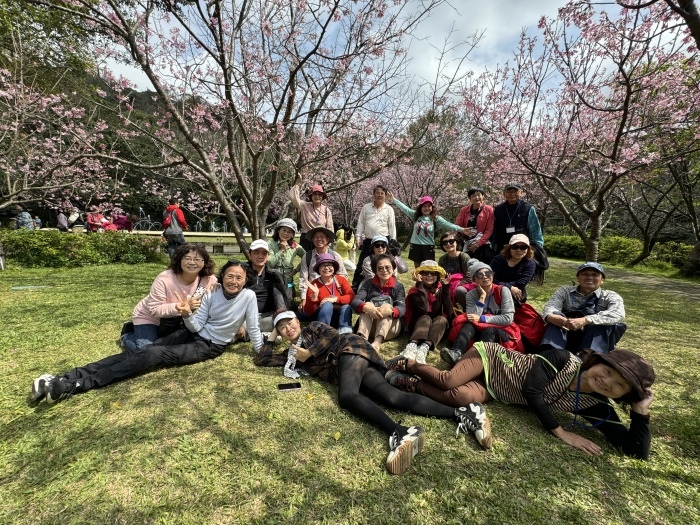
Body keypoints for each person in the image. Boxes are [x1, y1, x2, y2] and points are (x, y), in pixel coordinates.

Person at [254, 312, 493, 475]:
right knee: (390, 396)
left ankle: (400, 433)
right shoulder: (292, 354)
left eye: (290, 322)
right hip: (351, 365)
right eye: (282, 327)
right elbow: (263, 360)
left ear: (298, 320)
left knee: (347, 397)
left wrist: (311, 352)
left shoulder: (313, 328)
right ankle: (462, 411)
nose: (289, 327)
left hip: (351, 350)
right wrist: (273, 336)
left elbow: (334, 336)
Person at [31, 260, 263, 404]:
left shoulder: (248, 297)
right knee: (144, 350)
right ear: (222, 277)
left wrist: (262, 351)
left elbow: (253, 326)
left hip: (209, 346)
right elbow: (197, 325)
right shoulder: (212, 293)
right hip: (193, 334)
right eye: (229, 276)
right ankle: (68, 376)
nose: (233, 281)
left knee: (152, 356)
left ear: (245, 281)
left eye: (239, 278)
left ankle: (78, 385)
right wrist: (186, 315)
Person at [384, 343, 655, 459]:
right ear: (596, 363)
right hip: (490, 358)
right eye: (607, 372)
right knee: (447, 381)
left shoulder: (595, 405)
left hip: (499, 389)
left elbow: (633, 450)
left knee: (460, 397)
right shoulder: (564, 359)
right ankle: (409, 364)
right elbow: (531, 390)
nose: (608, 382)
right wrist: (561, 432)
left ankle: (413, 383)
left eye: (620, 386)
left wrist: (641, 413)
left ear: (624, 396)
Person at [120, 243, 218, 351]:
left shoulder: (209, 279)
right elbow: (155, 309)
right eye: (187, 258)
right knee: (146, 351)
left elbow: (217, 296)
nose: (192, 262)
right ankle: (127, 336)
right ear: (179, 260)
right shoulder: (165, 279)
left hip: (174, 321)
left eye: (197, 259)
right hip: (149, 317)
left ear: (204, 262)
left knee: (172, 347)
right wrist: (179, 306)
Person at [440, 261, 519, 366]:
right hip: (478, 329)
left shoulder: (503, 291)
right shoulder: (470, 295)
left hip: (499, 331)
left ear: (492, 275)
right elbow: (472, 317)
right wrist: (482, 297)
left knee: (489, 329)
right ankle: (456, 352)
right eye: (479, 275)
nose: (485, 277)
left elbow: (508, 318)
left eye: (488, 273)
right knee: (468, 325)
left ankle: (478, 360)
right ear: (474, 279)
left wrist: (483, 319)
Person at [540, 262, 626, 354]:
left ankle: (586, 357)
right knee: (555, 315)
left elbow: (618, 313)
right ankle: (550, 353)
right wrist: (550, 316)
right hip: (566, 334)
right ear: (578, 278)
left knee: (602, 321)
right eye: (585, 274)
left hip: (594, 340)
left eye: (595, 275)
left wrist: (586, 320)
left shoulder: (610, 296)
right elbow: (550, 306)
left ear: (602, 280)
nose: (589, 277)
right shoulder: (565, 291)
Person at [386, 193, 467, 267]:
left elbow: (448, 224)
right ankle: (419, 283)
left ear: (432, 207)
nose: (427, 208)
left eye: (429, 206)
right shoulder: (415, 216)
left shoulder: (435, 218)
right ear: (421, 207)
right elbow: (404, 208)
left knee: (429, 269)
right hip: (416, 246)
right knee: (418, 269)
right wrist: (393, 199)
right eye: (424, 206)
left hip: (428, 247)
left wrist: (462, 229)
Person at [399, 261, 454, 364]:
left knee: (442, 319)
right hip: (418, 323)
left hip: (436, 326)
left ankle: (424, 348)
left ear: (437, 276)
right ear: (420, 275)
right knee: (426, 317)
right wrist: (420, 286)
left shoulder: (441, 289)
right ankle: (412, 346)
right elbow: (424, 309)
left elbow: (449, 311)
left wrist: (446, 289)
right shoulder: (415, 291)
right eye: (425, 273)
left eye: (433, 273)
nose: (429, 275)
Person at [351, 253, 406, 350]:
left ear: (393, 268)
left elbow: (402, 308)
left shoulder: (398, 286)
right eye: (380, 268)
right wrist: (367, 308)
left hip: (389, 329)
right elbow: (355, 301)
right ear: (375, 270)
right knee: (366, 305)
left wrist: (391, 311)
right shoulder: (368, 283)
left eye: (387, 267)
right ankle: (362, 339)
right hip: (370, 325)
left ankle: (377, 343)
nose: (384, 270)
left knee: (386, 306)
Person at [352, 185, 397, 290]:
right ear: (373, 195)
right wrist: (358, 237)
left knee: (388, 263)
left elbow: (392, 226)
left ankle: (391, 287)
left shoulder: (389, 209)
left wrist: (393, 241)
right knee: (361, 264)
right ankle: (355, 288)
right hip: (369, 240)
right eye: (378, 193)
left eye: (382, 193)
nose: (380, 195)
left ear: (385, 196)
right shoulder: (366, 207)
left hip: (384, 241)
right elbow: (361, 223)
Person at [244, 239, 290, 334]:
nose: (260, 256)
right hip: (245, 316)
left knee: (284, 323)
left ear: (268, 256)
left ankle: (248, 333)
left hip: (268, 316)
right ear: (249, 255)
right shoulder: (240, 273)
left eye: (264, 253)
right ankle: (264, 334)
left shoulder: (274, 275)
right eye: (256, 252)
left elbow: (281, 298)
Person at [298, 226, 347, 312]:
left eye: (322, 237)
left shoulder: (335, 256)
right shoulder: (307, 256)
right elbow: (303, 278)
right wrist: (303, 298)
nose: (319, 239)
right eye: (316, 237)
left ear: (327, 239)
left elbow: (343, 275)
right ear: (312, 239)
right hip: (313, 292)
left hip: (331, 292)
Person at [303, 253, 355, 333]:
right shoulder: (314, 284)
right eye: (323, 265)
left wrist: (335, 299)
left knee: (346, 307)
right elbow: (309, 312)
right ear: (318, 269)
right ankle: (322, 333)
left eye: (330, 265)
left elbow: (351, 296)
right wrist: (315, 296)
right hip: (321, 318)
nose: (327, 268)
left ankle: (344, 333)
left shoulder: (341, 280)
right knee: (327, 304)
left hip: (337, 316)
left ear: (334, 267)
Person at [492, 181, 544, 254]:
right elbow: (494, 230)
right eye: (509, 191)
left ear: (521, 193)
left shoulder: (528, 208)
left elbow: (535, 232)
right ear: (504, 194)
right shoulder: (497, 209)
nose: (512, 194)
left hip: (521, 250)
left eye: (515, 191)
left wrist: (536, 249)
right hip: (502, 249)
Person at [490, 234, 536, 304]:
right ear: (509, 248)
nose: (518, 250)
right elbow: (489, 278)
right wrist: (509, 287)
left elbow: (521, 283)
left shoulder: (530, 263)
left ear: (528, 249)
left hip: (516, 295)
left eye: (523, 247)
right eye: (514, 247)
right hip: (494, 291)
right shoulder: (498, 259)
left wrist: (502, 285)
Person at [267, 218, 305, 304]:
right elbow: (271, 263)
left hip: (288, 280)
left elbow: (307, 257)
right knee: (275, 301)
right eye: (283, 230)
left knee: (289, 301)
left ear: (292, 234)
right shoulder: (270, 243)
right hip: (273, 278)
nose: (286, 233)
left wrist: (296, 270)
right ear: (278, 230)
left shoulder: (295, 246)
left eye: (289, 231)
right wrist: (282, 250)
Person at [290, 183, 334, 251]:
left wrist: (328, 243)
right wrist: (297, 184)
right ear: (311, 196)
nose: (317, 196)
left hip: (320, 239)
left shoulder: (326, 210)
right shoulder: (305, 206)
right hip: (306, 238)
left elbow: (330, 227)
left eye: (319, 194)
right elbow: (294, 198)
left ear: (322, 196)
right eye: (315, 194)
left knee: (320, 260)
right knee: (307, 259)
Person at [456, 187, 495, 262]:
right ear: (469, 198)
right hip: (466, 242)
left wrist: (478, 244)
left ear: (483, 196)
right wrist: (463, 232)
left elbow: (489, 229)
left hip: (482, 243)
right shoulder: (464, 210)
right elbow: (458, 225)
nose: (477, 197)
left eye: (478, 195)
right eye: (473, 196)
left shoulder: (489, 209)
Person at [437, 231, 472, 309]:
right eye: (445, 242)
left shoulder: (464, 257)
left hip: (463, 284)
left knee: (460, 290)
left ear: (457, 242)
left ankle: (468, 310)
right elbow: (440, 276)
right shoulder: (442, 259)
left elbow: (470, 277)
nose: (448, 244)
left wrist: (454, 286)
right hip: (447, 284)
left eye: (451, 241)